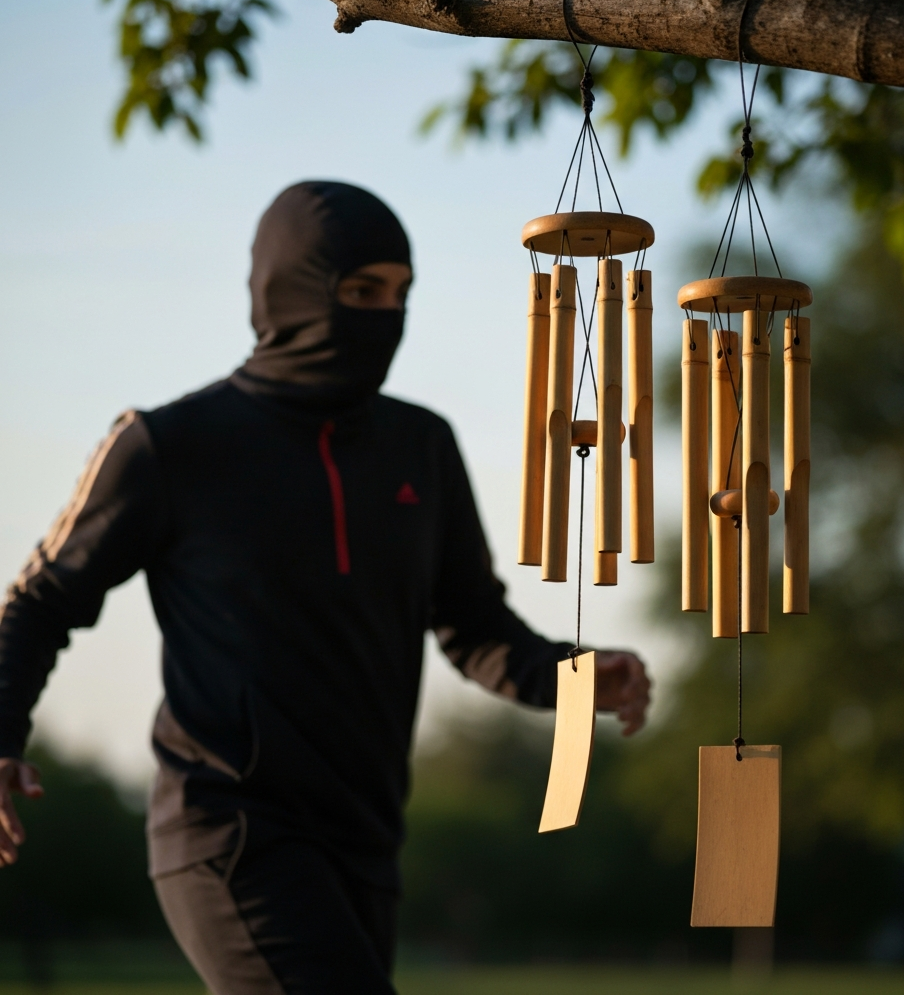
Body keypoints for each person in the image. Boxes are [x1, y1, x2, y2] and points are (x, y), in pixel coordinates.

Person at [0, 181, 651, 994]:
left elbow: (473, 625)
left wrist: (578, 677)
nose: (385, 315)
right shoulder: (170, 445)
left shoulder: (423, 446)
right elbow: (38, 600)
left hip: (367, 840)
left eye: (400, 293)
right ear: (293, 288)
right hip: (229, 831)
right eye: (360, 290)